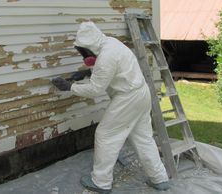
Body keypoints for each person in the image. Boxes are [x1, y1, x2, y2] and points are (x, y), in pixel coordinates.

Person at [52, 22, 170, 194]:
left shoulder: (106, 56)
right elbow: (112, 69)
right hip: (141, 93)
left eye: (83, 51)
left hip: (127, 98)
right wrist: (87, 73)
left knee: (105, 135)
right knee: (144, 139)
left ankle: (101, 182)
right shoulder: (111, 43)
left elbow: (95, 89)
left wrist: (69, 87)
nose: (83, 55)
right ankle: (160, 179)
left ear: (90, 46)